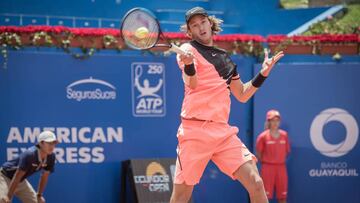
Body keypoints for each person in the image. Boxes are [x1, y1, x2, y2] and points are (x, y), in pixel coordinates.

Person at [170, 6, 284, 203]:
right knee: (181, 197)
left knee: (256, 183)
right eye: (195, 26)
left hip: (222, 133)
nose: (201, 27)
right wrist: (189, 64)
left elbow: (242, 94)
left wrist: (263, 73)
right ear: (190, 32)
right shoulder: (188, 50)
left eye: (203, 22)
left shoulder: (225, 59)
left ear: (210, 23)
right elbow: (192, 83)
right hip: (195, 132)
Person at [0, 131, 58, 203]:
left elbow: (44, 176)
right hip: (4, 177)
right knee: (4, 201)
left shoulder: (51, 157)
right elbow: (17, 176)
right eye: (49, 143)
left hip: (20, 180)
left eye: (54, 143)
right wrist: (8, 196)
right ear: (41, 143)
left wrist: (39, 195)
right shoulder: (30, 155)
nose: (52, 146)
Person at [256, 110, 291, 203]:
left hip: (281, 168)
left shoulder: (284, 135)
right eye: (272, 120)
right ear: (268, 122)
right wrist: (268, 161)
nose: (275, 123)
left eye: (277, 120)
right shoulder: (262, 137)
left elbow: (287, 152)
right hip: (267, 168)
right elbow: (258, 154)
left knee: (282, 197)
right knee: (265, 198)